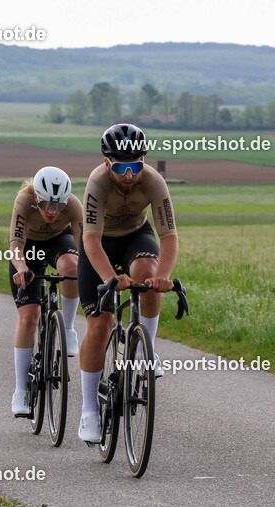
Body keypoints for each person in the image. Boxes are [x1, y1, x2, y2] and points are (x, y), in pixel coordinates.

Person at [77, 123, 178, 443]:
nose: (130, 174)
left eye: (136, 165)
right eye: (121, 167)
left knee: (148, 274)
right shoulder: (97, 183)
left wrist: (162, 277)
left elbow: (169, 237)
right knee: (100, 325)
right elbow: (90, 240)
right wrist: (110, 277)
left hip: (136, 236)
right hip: (100, 243)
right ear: (107, 163)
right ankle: (89, 411)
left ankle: (147, 349)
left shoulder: (153, 181)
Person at [10, 166, 84, 417]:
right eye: (46, 205)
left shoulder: (73, 205)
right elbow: (16, 244)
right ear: (36, 198)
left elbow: (84, 246)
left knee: (73, 267)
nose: (53, 211)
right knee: (29, 317)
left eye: (59, 206)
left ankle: (68, 328)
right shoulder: (24, 201)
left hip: (58, 241)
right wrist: (21, 268)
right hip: (28, 248)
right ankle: (21, 390)